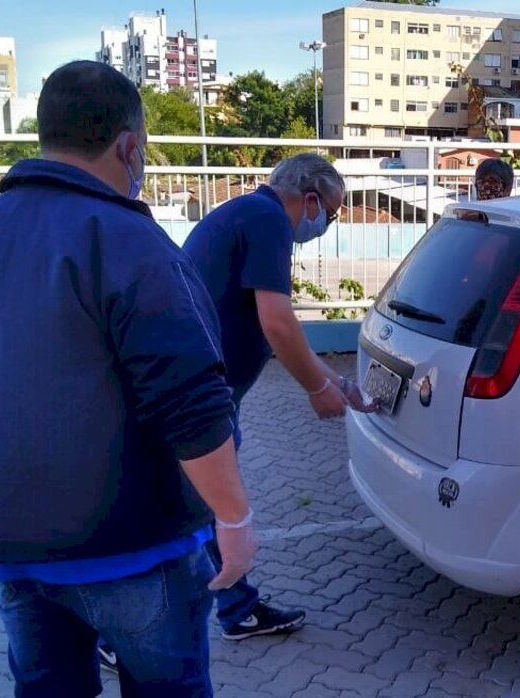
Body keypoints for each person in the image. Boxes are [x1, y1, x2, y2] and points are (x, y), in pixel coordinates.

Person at [0, 60, 255, 697]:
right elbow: (193, 402)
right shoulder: (130, 241)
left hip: (12, 548)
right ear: (129, 146)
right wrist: (233, 518)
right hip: (131, 550)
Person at [178, 153, 377, 643]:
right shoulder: (268, 220)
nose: (326, 224)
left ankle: (235, 609)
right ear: (310, 199)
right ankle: (130, 630)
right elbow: (278, 321)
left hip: (206, 385)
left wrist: (338, 384)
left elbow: (274, 327)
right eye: (330, 214)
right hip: (205, 391)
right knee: (197, 509)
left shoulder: (247, 213)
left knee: (202, 508)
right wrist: (317, 388)